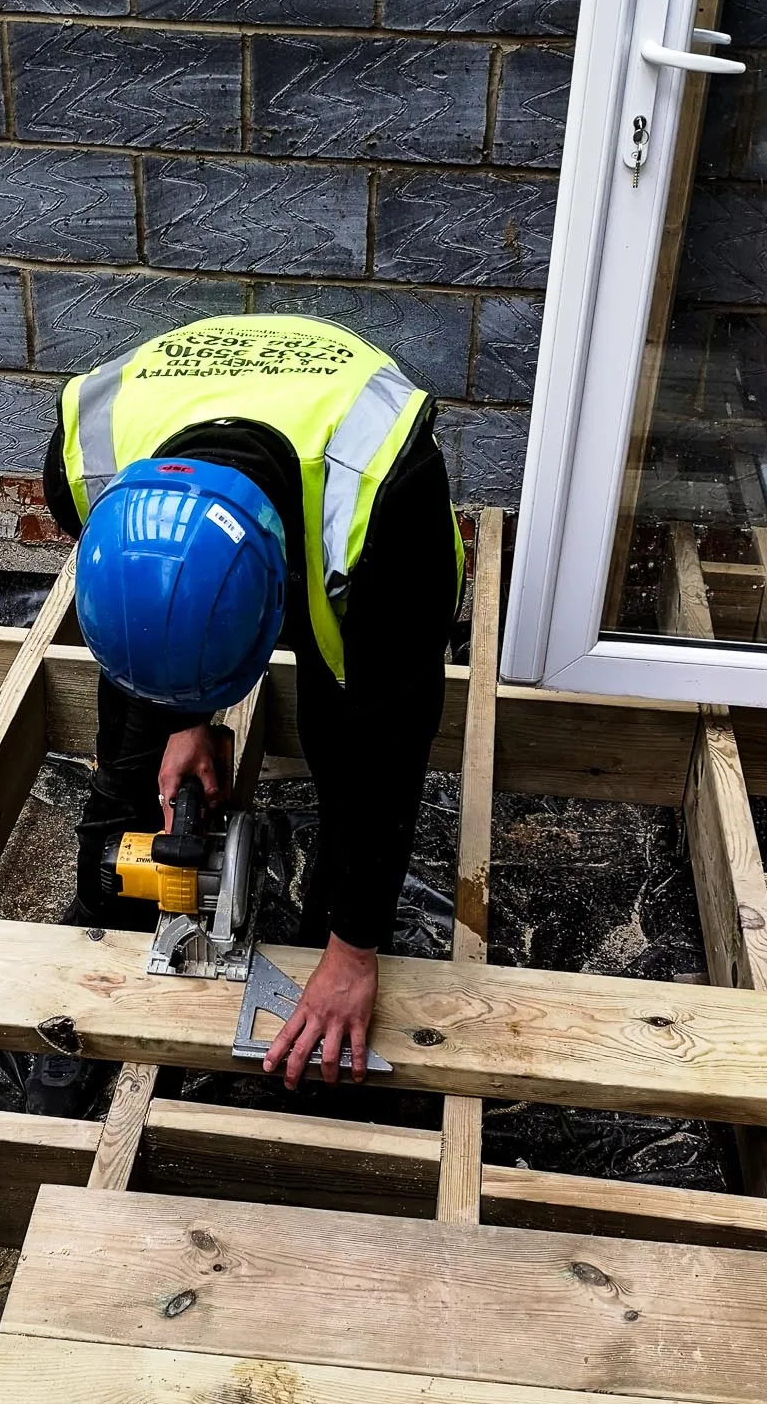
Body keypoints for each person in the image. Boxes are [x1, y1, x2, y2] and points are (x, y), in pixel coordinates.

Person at [36, 312, 462, 1112]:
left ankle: (325, 950)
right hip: (189, 515)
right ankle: (100, 923)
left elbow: (395, 746)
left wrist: (355, 951)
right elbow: (155, 613)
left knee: (346, 748)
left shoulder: (384, 514)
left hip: (357, 543)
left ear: (276, 597)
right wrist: (184, 720)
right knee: (131, 746)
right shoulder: (86, 456)